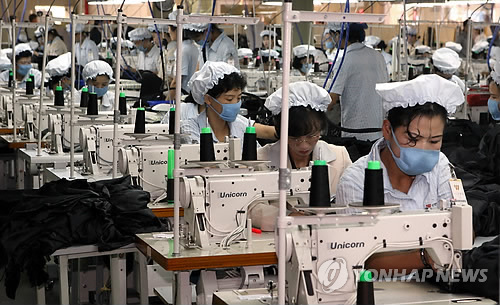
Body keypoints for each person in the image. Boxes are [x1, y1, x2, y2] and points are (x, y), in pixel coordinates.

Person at [337, 74, 463, 209]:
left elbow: (459, 221)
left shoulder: (441, 166)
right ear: (387, 130)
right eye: (412, 139)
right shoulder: (355, 182)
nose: (423, 148)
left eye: (434, 141)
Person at [181, 61, 275, 143]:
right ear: (208, 99)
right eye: (229, 99)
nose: (235, 104)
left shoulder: (239, 125)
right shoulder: (190, 128)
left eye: (239, 98)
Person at [328, 22, 389, 141]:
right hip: (378, 131)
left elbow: (332, 98)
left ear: (338, 35)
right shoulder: (378, 56)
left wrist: (312, 111)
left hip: (356, 134)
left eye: (333, 35)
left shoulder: (345, 59)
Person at [163, 11, 201, 96]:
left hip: (183, 96)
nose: (168, 31)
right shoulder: (192, 46)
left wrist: (166, 102)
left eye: (169, 28)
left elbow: (177, 82)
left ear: (177, 29)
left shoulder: (183, 50)